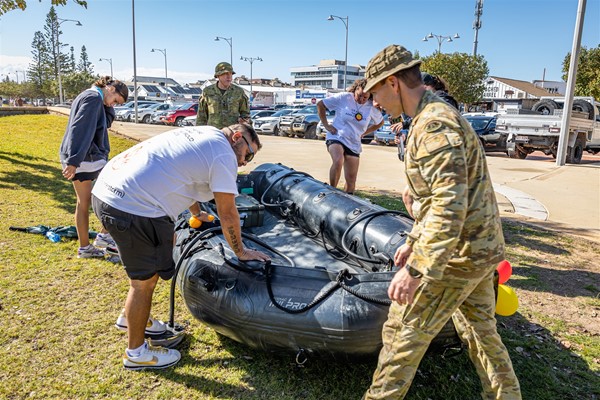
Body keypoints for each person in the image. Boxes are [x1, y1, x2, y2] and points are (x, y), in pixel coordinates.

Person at [362, 44, 521, 399]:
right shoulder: (431, 117)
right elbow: (434, 200)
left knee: (401, 336)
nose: (374, 102)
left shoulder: (433, 126)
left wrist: (417, 268)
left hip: (457, 256)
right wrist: (414, 241)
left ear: (393, 83)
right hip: (477, 252)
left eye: (374, 92)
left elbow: (449, 207)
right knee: (482, 336)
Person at [91, 123, 271, 370]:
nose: (244, 162)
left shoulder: (207, 134)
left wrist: (197, 212)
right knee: (144, 282)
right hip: (134, 206)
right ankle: (137, 354)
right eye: (247, 154)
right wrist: (241, 251)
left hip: (106, 190)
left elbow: (185, 175)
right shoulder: (224, 154)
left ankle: (130, 319)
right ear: (237, 138)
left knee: (144, 275)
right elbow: (228, 212)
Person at [59, 76, 128, 258]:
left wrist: (72, 159)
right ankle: (104, 236)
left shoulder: (90, 96)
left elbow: (102, 124)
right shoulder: (93, 98)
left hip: (84, 157)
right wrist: (74, 161)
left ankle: (86, 247)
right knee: (113, 196)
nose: (114, 105)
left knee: (84, 203)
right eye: (115, 101)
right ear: (111, 89)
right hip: (87, 158)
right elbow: (80, 129)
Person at [317, 78, 384, 194]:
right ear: (356, 89)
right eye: (359, 95)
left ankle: (347, 202)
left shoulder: (370, 107)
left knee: (351, 181)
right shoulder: (344, 98)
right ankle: (331, 193)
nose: (362, 99)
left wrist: (365, 132)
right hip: (336, 137)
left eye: (365, 97)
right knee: (338, 160)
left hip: (354, 142)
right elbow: (321, 105)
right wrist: (326, 125)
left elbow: (380, 122)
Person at [196, 62, 250, 128]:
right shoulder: (207, 92)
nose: (229, 76)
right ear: (218, 75)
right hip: (214, 133)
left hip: (232, 134)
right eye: (225, 74)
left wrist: (246, 127)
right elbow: (201, 117)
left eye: (230, 74)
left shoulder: (238, 92)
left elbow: (245, 114)